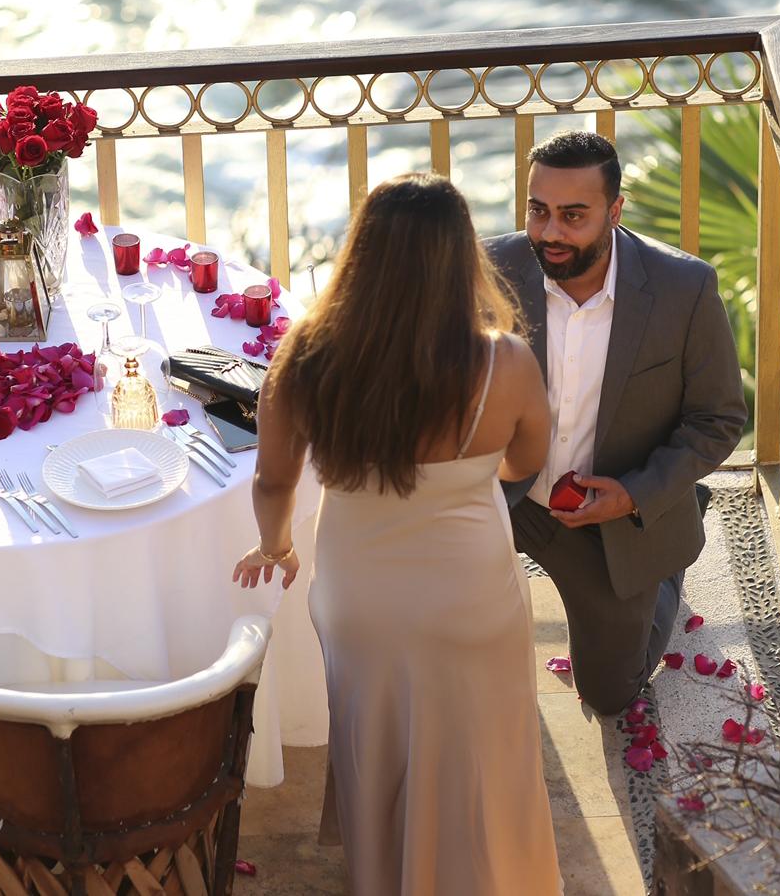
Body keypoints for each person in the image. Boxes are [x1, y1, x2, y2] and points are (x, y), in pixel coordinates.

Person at [232, 173, 562, 895]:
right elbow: (524, 463)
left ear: (362, 255)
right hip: (471, 595)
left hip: (361, 599)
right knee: (484, 750)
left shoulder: (306, 356)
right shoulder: (504, 362)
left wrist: (277, 546)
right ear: (460, 260)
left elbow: (273, 480)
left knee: (376, 744)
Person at [486, 129, 746, 716]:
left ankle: (670, 558)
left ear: (615, 211)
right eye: (538, 210)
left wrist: (636, 495)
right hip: (505, 496)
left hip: (611, 514)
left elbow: (719, 419)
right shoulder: (488, 269)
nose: (550, 232)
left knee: (609, 694)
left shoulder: (685, 289)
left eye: (573, 216)